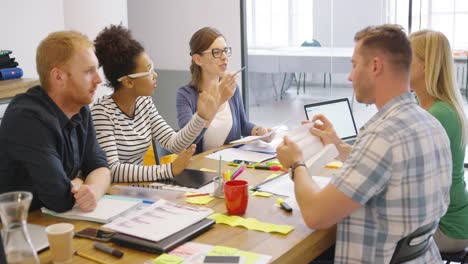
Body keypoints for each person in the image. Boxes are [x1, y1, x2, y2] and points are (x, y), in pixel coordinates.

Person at [276, 24, 452, 263]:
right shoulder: (430, 124)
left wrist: (296, 164)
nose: (350, 76)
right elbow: (389, 171)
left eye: (354, 64)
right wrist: (337, 145)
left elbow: (316, 215)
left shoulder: (383, 135)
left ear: (375, 66)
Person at [0, 31, 111, 212]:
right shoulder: (27, 117)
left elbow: (100, 167)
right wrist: (81, 179)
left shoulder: (80, 107)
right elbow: (60, 198)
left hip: (50, 219)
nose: (98, 80)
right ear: (58, 76)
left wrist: (91, 191)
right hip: (18, 227)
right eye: (89, 71)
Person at [92, 25, 218, 183]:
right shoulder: (102, 112)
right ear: (128, 82)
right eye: (148, 70)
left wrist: (200, 117)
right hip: (114, 194)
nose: (155, 75)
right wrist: (168, 170)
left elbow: (174, 144)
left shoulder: (144, 103)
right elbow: (113, 170)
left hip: (137, 189)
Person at [409, 29, 468, 253]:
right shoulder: (420, 102)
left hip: (447, 228)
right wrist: (337, 144)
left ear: (425, 65)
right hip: (440, 216)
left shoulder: (439, 114)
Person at [177, 27, 270, 154]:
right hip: (199, 169)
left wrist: (259, 131)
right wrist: (219, 99)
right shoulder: (186, 95)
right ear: (198, 59)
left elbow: (243, 125)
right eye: (216, 52)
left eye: (225, 51)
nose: (225, 57)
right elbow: (187, 142)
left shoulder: (232, 88)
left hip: (230, 166)